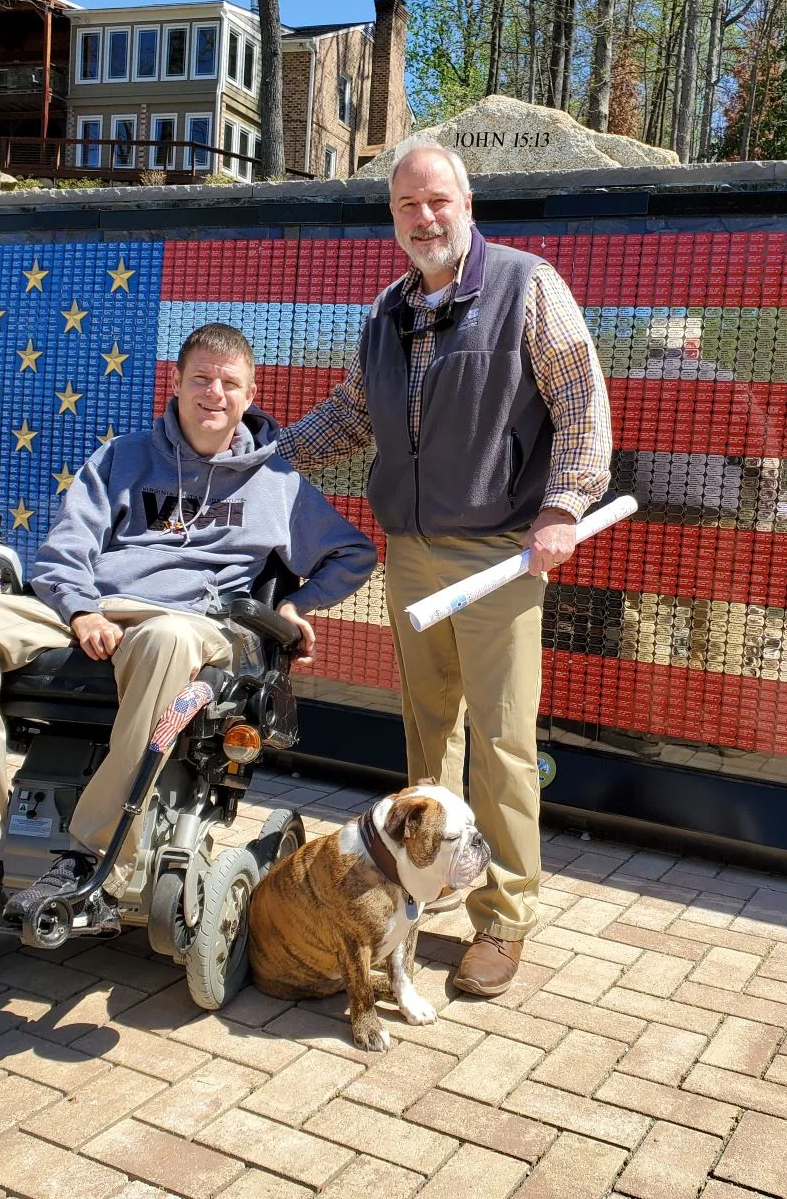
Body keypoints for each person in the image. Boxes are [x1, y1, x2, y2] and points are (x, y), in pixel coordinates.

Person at [278, 140, 613, 998]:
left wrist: (563, 506)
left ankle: (503, 921)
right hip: (414, 552)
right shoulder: (387, 311)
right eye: (406, 206)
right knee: (430, 741)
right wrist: (265, 460)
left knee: (500, 745)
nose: (424, 218)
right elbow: (354, 413)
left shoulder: (527, 286)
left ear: (468, 205)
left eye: (438, 202)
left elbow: (581, 400)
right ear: (392, 218)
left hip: (501, 556)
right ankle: (419, 888)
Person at [0, 323, 376, 919]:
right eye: (201, 379)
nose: (215, 393)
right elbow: (63, 554)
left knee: (166, 635)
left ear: (250, 393)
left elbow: (353, 553)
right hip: (93, 610)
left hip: (191, 621)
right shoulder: (120, 458)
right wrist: (80, 611)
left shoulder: (277, 483)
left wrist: (294, 605)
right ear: (176, 384)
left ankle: (89, 855)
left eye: (229, 383)